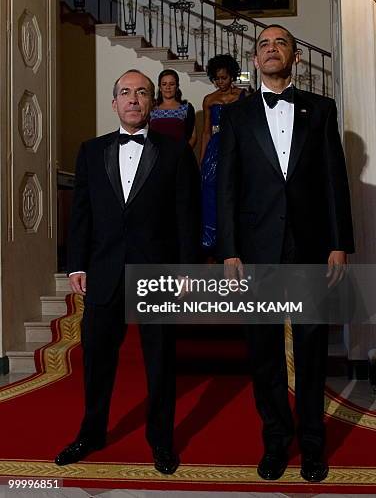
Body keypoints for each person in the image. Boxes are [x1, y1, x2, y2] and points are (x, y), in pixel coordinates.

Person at [217, 25, 354, 483]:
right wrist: (230, 250)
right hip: (256, 251)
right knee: (265, 352)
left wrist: (339, 243)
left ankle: (314, 446)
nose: (271, 49)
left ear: (295, 57)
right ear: (255, 61)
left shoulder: (321, 109)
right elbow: (227, 187)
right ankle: (276, 441)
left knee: (313, 351)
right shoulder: (236, 116)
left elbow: (335, 180)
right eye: (263, 45)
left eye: (280, 43)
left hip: (311, 246)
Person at [55, 69, 200, 474]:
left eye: (142, 92)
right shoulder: (89, 151)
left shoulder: (175, 152)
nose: (133, 99)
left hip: (157, 271)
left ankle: (161, 441)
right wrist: (76, 264)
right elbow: (81, 213)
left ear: (152, 102)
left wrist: (187, 269)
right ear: (114, 102)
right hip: (103, 270)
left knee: (160, 362)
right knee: (97, 361)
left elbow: (187, 215)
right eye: (125, 92)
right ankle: (91, 433)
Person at [200, 54, 245, 252]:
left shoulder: (243, 95)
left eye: (224, 77)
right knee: (210, 190)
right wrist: (202, 160)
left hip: (237, 146)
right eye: (217, 78)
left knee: (236, 190)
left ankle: (235, 239)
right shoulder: (209, 99)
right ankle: (212, 241)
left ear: (232, 76)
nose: (220, 82)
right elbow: (206, 132)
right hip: (215, 149)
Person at [150, 69, 197, 147]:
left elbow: (193, 137)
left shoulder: (186, 108)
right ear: (160, 87)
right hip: (155, 155)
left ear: (177, 87)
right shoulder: (151, 108)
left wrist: (182, 155)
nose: (168, 87)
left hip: (180, 155)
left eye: (171, 84)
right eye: (164, 84)